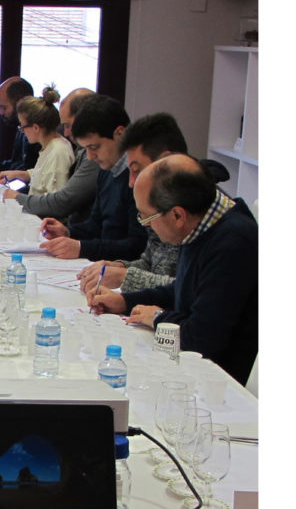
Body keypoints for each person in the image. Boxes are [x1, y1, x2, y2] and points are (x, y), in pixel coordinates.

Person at [88, 155, 257, 385]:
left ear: (177, 215)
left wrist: (158, 317)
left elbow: (199, 340)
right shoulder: (204, 219)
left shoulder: (233, 242)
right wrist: (125, 301)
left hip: (221, 385)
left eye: (147, 217)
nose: (145, 225)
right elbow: (184, 288)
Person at [77, 112, 189, 294]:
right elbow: (150, 262)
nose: (130, 182)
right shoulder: (159, 202)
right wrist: (119, 266)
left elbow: (187, 288)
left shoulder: (193, 210)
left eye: (137, 170)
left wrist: (125, 277)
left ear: (165, 161)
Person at [38, 95, 147, 261]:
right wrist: (68, 232)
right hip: (100, 263)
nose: (90, 157)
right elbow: (96, 224)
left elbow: (137, 245)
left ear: (120, 134)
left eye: (94, 147)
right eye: (86, 148)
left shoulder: (138, 178)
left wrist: (82, 247)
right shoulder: (107, 169)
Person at [4, 88, 98, 225]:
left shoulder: (62, 150)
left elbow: (61, 202)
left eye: (68, 125)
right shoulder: (61, 148)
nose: (66, 133)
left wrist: (17, 198)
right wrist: (26, 174)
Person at [0, 86, 74, 197]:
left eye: (22, 127)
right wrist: (22, 174)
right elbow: (45, 174)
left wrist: (16, 197)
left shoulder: (58, 151)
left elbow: (55, 198)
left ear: (36, 127)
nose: (22, 132)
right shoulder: (50, 146)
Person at [0, 77, 41, 176]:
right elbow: (17, 164)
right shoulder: (22, 127)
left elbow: (30, 172)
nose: (0, 112)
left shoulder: (38, 130)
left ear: (20, 102)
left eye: (4, 107)